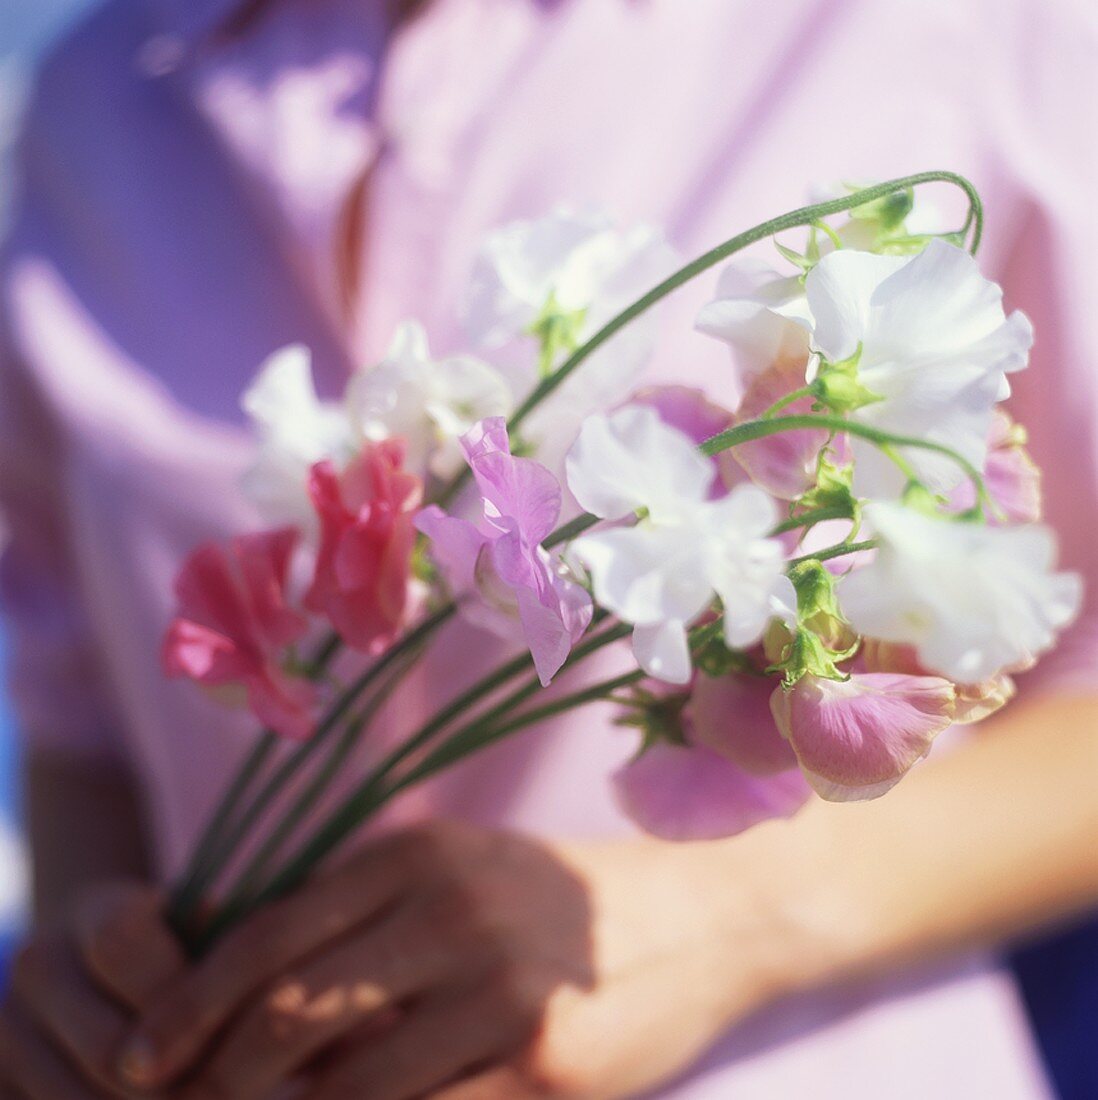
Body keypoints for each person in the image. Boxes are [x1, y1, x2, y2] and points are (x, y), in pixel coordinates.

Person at [0, 0, 1096, 1096]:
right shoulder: (101, 98)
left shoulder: (965, 30)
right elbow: (86, 728)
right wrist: (104, 997)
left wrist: (724, 921)